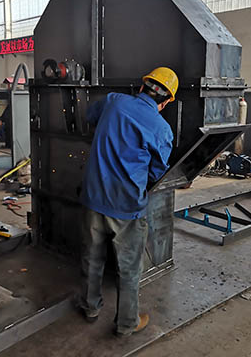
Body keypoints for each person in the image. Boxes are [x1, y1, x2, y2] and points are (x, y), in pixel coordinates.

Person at [78, 67, 178, 337]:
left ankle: (90, 307)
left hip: (93, 197)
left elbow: (90, 117)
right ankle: (126, 323)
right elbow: (157, 173)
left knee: (92, 257)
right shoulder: (161, 128)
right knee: (129, 268)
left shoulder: (113, 101)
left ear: (142, 87)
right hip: (126, 206)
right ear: (166, 101)